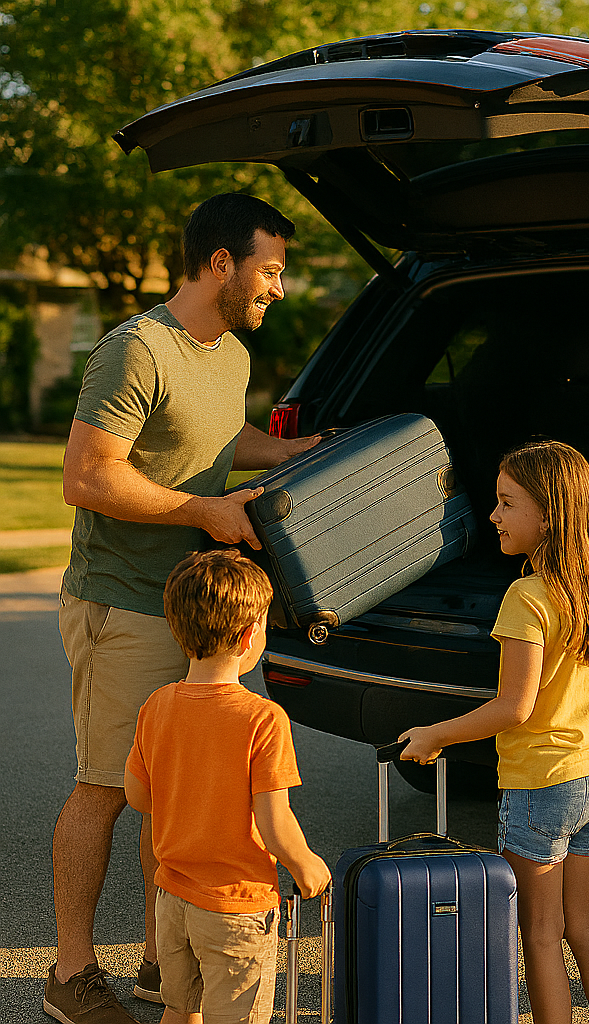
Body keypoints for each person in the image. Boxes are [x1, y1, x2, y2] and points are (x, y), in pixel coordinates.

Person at [47, 193, 319, 1024]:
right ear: (219, 265)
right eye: (268, 271)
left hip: (186, 609)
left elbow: (216, 436)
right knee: (106, 787)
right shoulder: (135, 351)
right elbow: (88, 477)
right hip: (122, 603)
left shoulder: (228, 352)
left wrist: (294, 453)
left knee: (166, 795)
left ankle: (164, 963)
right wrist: (202, 512)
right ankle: (69, 975)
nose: (277, 288)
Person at [399, 441, 589, 1024]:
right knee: (584, 924)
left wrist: (434, 735)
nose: (493, 515)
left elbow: (514, 707)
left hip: (540, 787)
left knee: (538, 933)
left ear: (549, 515)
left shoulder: (527, 597)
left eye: (507, 503)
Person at [124, 549, 332, 1024]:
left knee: (180, 1010)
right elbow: (274, 824)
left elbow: (138, 796)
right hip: (237, 908)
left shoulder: (158, 705)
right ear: (246, 637)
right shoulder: (263, 718)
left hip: (172, 900)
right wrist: (307, 867)